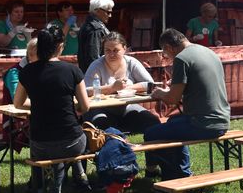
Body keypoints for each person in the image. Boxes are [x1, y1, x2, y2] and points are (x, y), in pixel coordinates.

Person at [14, 24, 90, 193]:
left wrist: (40, 104)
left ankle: (52, 188)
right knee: (84, 137)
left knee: (55, 151)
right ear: (60, 46)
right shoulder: (72, 70)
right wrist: (71, 107)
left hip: (40, 144)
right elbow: (85, 107)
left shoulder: (27, 71)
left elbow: (18, 103)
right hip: (71, 142)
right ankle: (80, 178)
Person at [144, 29, 231, 180]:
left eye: (165, 53)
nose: (167, 57)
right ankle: (174, 171)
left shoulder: (181, 58)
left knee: (151, 134)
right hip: (222, 120)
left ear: (169, 47)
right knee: (172, 123)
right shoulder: (208, 52)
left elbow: (172, 99)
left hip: (202, 124)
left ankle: (175, 176)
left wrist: (160, 93)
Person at [83, 32, 160, 134]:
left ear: (124, 49)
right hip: (101, 108)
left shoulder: (131, 63)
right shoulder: (96, 66)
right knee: (101, 125)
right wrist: (112, 88)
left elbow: (150, 84)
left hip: (126, 107)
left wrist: (127, 87)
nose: (111, 54)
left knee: (152, 121)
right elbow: (85, 91)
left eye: (116, 50)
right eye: (107, 50)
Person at [77, 0, 113, 72]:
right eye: (108, 12)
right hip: (96, 74)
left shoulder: (88, 25)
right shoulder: (95, 29)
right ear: (98, 11)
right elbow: (93, 58)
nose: (110, 15)